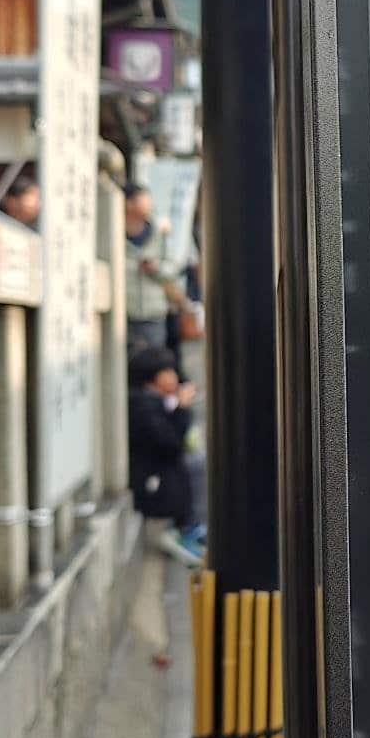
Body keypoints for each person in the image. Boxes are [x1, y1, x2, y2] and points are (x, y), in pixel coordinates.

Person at [127, 347, 205, 566]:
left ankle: (188, 527)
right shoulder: (142, 404)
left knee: (196, 461)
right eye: (167, 372)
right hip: (152, 483)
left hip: (159, 476)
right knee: (194, 464)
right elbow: (170, 442)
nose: (174, 376)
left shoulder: (152, 400)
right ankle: (185, 528)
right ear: (152, 377)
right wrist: (182, 408)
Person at [124, 181, 181, 355]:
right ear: (128, 203)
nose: (149, 204)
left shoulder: (158, 232)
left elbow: (173, 268)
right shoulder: (112, 230)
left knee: (155, 360)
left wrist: (156, 268)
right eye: (144, 199)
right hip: (124, 313)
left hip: (153, 313)